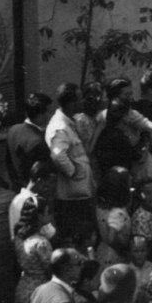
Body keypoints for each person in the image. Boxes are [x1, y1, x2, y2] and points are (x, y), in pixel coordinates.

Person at [47, 83, 96, 246]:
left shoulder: (69, 122)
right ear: (70, 103)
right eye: (79, 99)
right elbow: (58, 154)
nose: (82, 102)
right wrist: (74, 172)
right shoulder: (59, 127)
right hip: (72, 197)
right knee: (78, 239)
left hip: (80, 192)